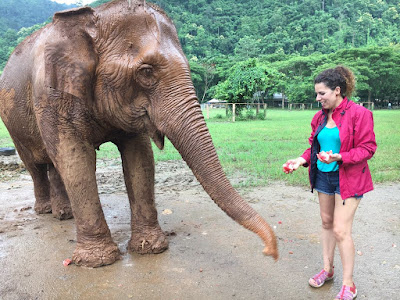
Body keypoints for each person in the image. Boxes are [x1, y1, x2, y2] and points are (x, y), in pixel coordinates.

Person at [283, 66, 377, 300]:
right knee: (326, 223)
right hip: (323, 175)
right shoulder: (319, 117)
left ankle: (349, 284)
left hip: (349, 178)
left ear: (337, 91)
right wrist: (301, 159)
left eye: (322, 94)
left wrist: (340, 157)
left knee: (340, 230)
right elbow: (313, 147)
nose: (318, 98)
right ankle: (327, 270)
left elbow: (368, 148)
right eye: (316, 94)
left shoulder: (359, 114)